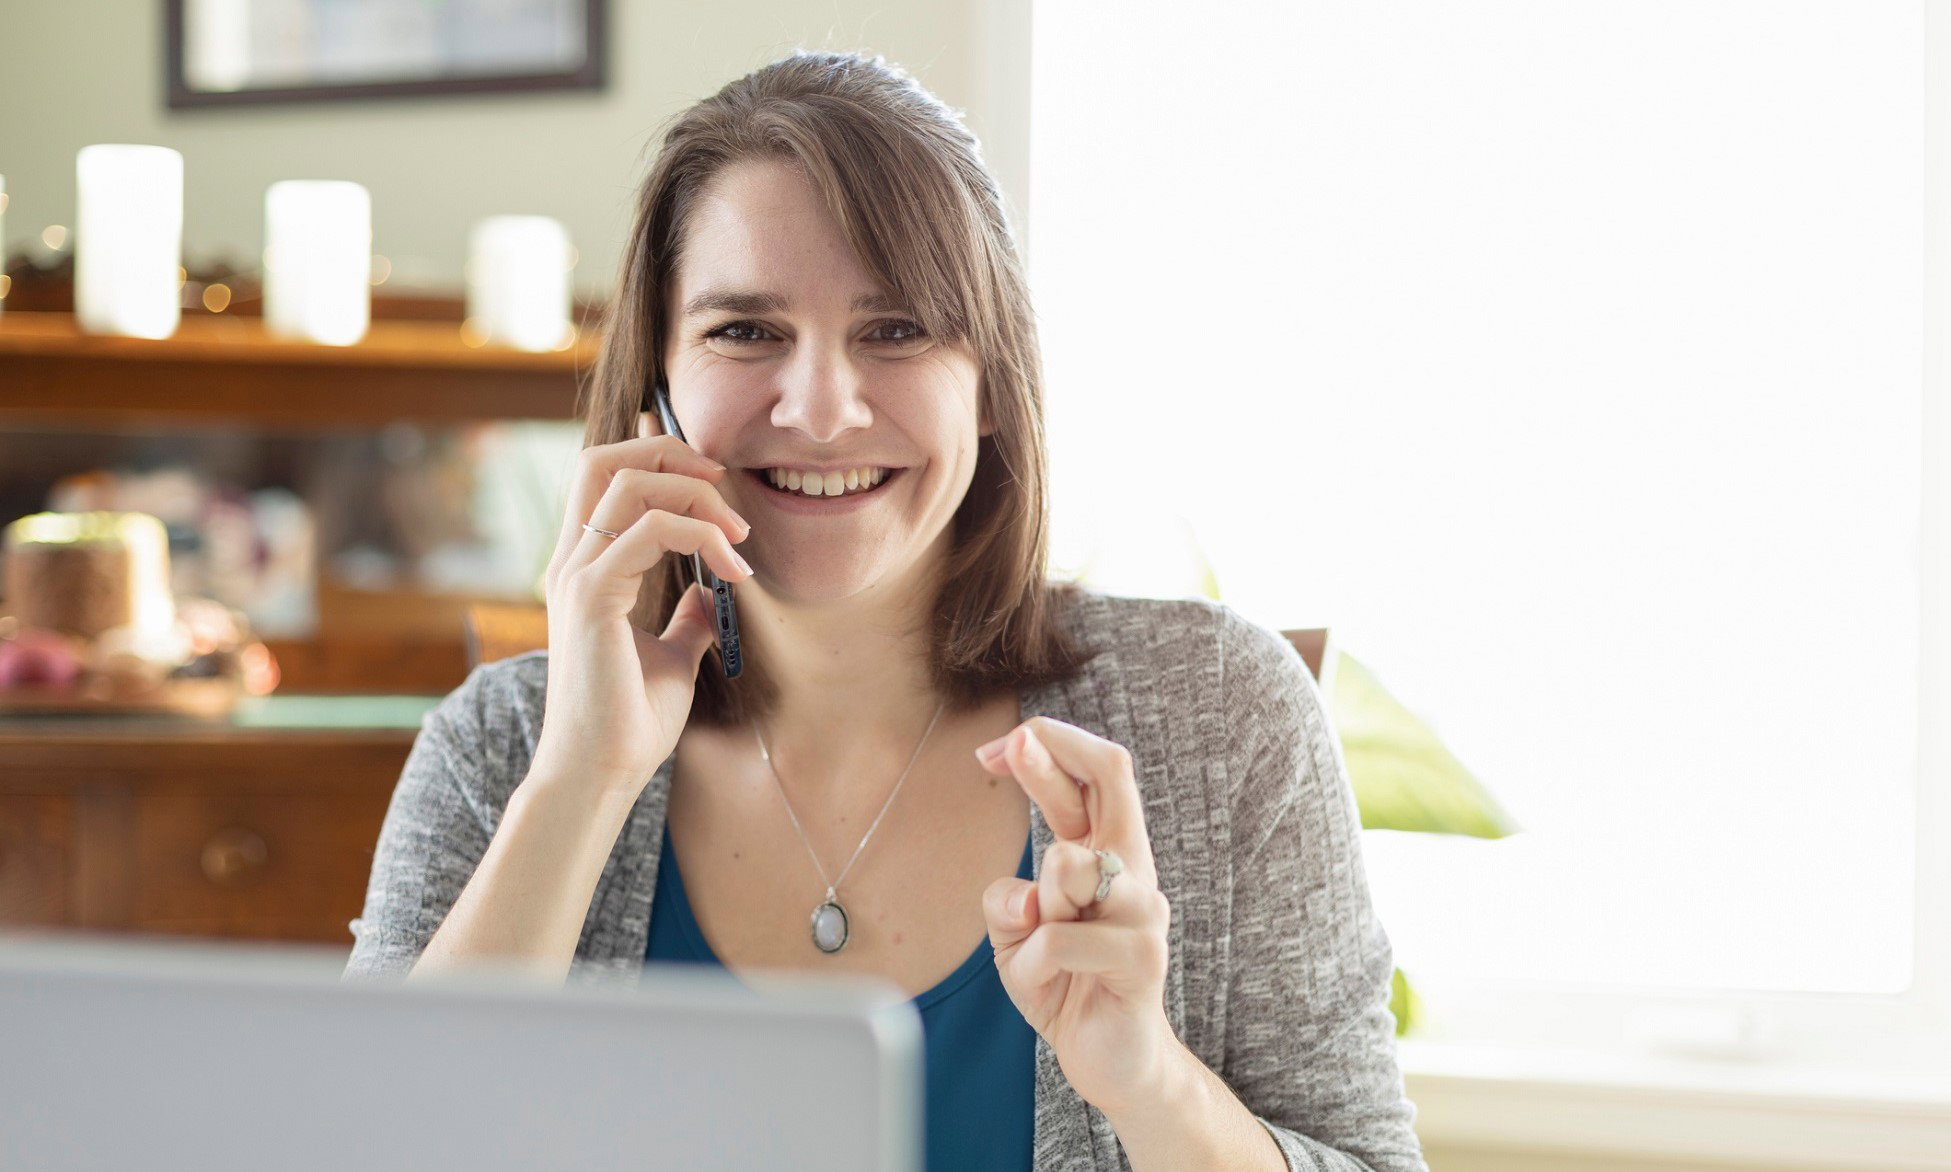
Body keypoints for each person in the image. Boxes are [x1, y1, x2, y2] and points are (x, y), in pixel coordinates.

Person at [345, 49, 1427, 1172]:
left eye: (897, 329)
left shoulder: (1222, 715)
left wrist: (1147, 1080)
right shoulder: (500, 747)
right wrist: (578, 782)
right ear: (654, 387)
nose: (819, 409)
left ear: (993, 387)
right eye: (744, 331)